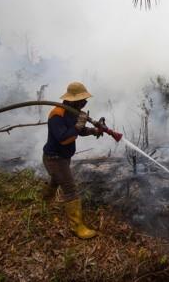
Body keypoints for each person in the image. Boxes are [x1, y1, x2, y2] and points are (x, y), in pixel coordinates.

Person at [42, 82, 103, 239]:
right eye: (82, 100)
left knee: (56, 180)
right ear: (72, 100)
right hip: (54, 158)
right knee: (70, 189)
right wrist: (78, 125)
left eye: (85, 100)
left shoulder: (73, 112)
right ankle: (77, 227)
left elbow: (79, 131)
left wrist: (93, 130)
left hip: (63, 157)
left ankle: (45, 202)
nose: (85, 103)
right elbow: (63, 138)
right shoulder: (57, 115)